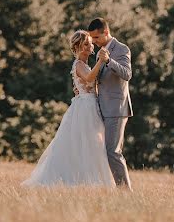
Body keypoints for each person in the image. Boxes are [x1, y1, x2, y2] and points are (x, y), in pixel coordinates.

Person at [21, 30, 115, 187]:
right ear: (78, 46)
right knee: (86, 143)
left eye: (91, 43)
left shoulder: (85, 64)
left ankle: (92, 180)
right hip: (85, 108)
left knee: (94, 142)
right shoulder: (79, 64)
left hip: (91, 105)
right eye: (86, 44)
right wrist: (101, 61)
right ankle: (83, 181)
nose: (90, 46)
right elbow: (89, 78)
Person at [87, 17, 133, 190]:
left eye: (97, 38)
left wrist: (108, 61)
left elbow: (127, 74)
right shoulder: (101, 51)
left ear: (106, 32)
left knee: (113, 152)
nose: (95, 42)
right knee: (103, 151)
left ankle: (125, 192)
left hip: (116, 108)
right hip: (101, 108)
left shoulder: (121, 49)